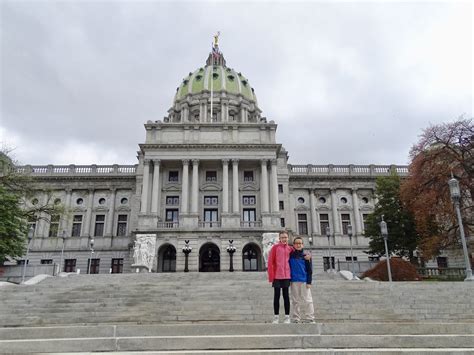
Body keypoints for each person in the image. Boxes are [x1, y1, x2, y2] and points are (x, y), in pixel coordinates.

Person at [267, 230, 292, 324]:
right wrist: (271, 277)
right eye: (282, 237)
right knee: (276, 296)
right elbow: (270, 262)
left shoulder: (290, 249)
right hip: (277, 276)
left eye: (285, 237)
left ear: (287, 238)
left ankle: (287, 317)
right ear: (279, 238)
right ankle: (276, 317)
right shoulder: (275, 248)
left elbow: (299, 254)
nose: (284, 239)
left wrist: (307, 255)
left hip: (286, 276)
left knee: (286, 296)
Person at [289, 236, 315, 323]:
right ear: (293, 245)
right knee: (295, 301)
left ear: (302, 245)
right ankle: (296, 318)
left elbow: (309, 270)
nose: (298, 245)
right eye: (296, 243)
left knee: (308, 300)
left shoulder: (306, 256)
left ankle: (310, 318)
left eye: (300, 243)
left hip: (304, 281)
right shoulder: (290, 255)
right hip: (294, 281)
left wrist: (309, 281)